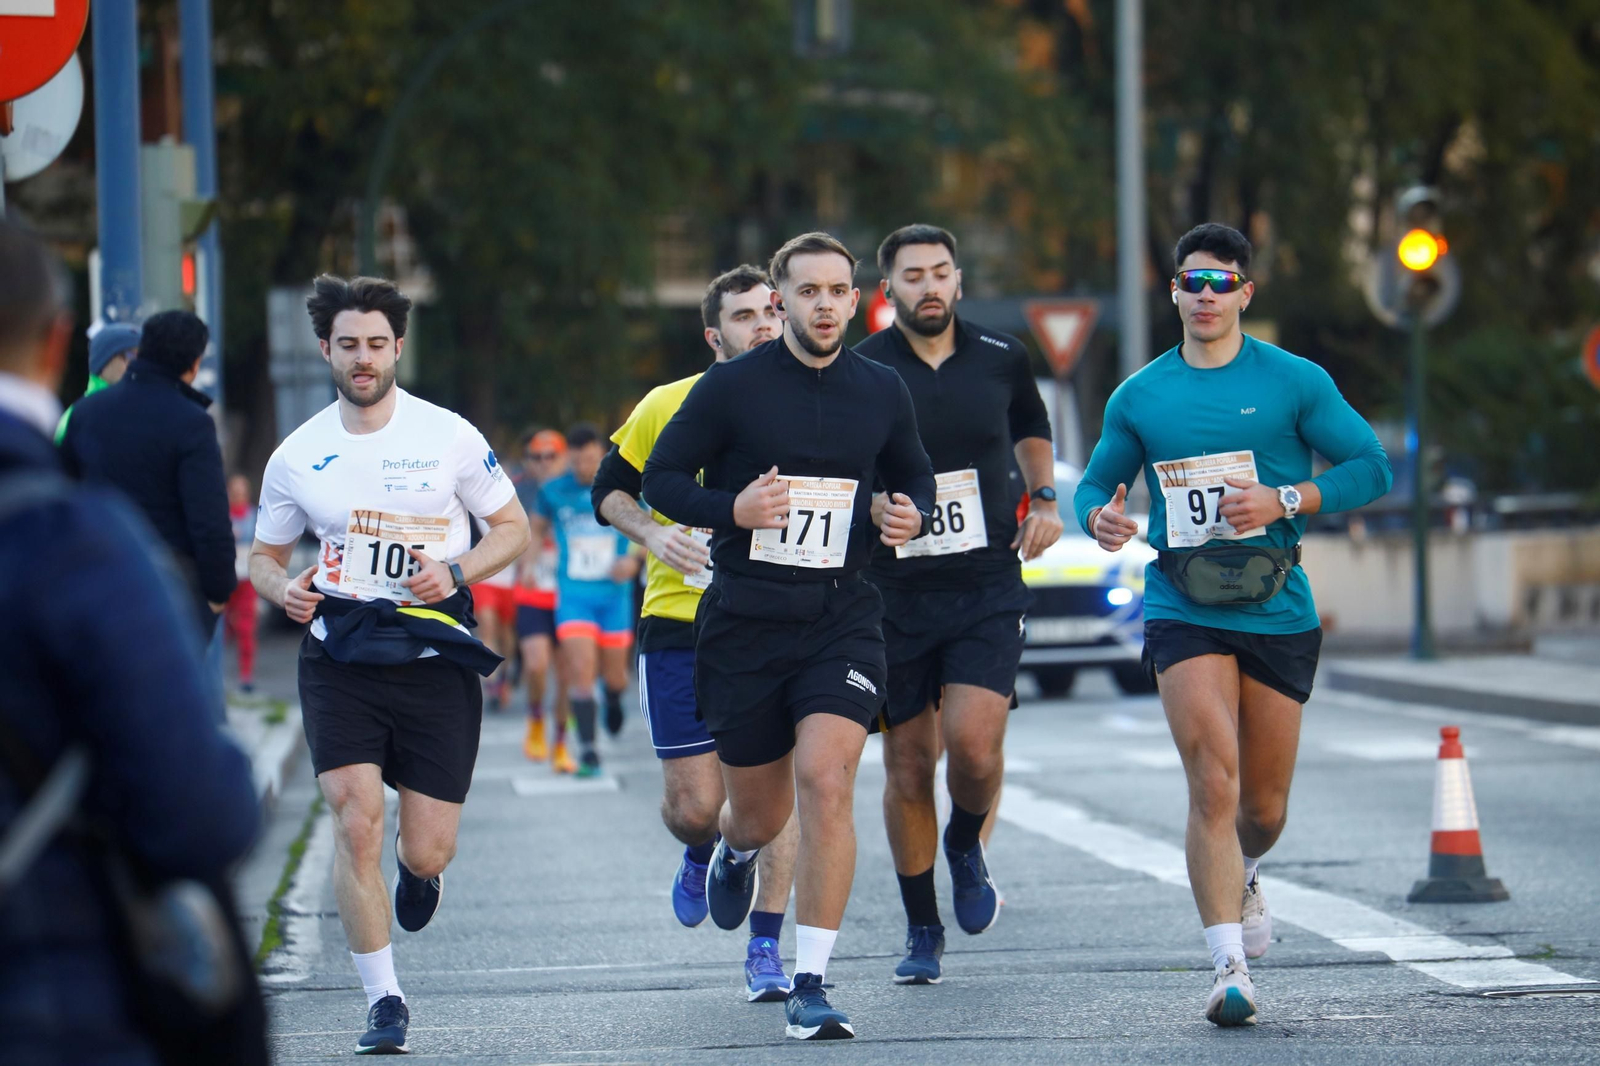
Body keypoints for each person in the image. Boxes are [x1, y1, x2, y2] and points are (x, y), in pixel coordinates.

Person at [1073, 223, 1392, 1026]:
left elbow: (1370, 467)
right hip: (1183, 603)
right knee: (1212, 778)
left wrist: (1288, 499)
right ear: (1173, 293)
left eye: (1222, 283)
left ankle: (1246, 866)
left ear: (1246, 293)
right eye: (1193, 282)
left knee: (1263, 809)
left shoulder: (1295, 382)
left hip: (1276, 604)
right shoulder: (1139, 394)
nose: (1206, 296)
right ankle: (1228, 968)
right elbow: (1095, 488)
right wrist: (1100, 522)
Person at [642, 232, 936, 1041]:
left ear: (854, 297)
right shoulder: (731, 389)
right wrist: (731, 509)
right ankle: (731, 854)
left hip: (842, 617)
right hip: (745, 622)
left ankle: (812, 981)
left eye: (839, 291)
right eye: (808, 292)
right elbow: (661, 480)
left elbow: (913, 477)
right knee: (757, 815)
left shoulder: (881, 390)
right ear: (781, 300)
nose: (826, 305)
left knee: (827, 779)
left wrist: (910, 513)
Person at [0, 219, 265, 1065]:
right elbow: (199, 812)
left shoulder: (91, 435)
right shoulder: (71, 546)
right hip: (50, 1003)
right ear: (51, 344)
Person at [249, 274, 529, 1055]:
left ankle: (420, 871)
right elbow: (263, 556)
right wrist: (284, 590)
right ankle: (384, 1001)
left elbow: (513, 528)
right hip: (340, 649)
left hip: (434, 648)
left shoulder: (448, 435)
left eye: (377, 343)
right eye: (349, 345)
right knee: (353, 816)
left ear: (398, 346)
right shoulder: (297, 455)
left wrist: (459, 570)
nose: (363, 358)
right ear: (326, 351)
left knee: (425, 844)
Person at [855, 224, 1062, 984]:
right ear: (889, 292)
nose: (930, 285)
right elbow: (842, 462)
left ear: (959, 281)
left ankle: (967, 843)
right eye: (914, 275)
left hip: (984, 582)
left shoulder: (1003, 355)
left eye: (941, 271)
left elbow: (1031, 427)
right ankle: (921, 927)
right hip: (893, 590)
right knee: (910, 763)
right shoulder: (864, 367)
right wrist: (874, 504)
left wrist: (1043, 496)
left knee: (974, 749)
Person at [592, 265, 801, 1002]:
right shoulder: (667, 405)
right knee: (692, 808)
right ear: (715, 334)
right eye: (745, 317)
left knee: (778, 794)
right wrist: (652, 534)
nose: (764, 327)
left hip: (782, 619)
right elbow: (608, 492)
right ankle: (704, 848)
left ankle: (768, 949)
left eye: (771, 312)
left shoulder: (816, 399)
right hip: (682, 622)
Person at [59, 309, 236, 716]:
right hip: (169, 591)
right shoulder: (191, 423)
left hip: (91, 580)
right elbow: (208, 520)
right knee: (169, 710)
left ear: (142, 352)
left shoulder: (85, 413)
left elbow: (62, 494)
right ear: (193, 364)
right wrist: (216, 593)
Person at [530, 423, 641, 777]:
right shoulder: (553, 490)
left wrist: (634, 559)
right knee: (580, 671)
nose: (583, 469)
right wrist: (529, 565)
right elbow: (535, 529)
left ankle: (612, 697)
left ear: (601, 455)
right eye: (576, 462)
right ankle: (589, 750)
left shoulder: (622, 484)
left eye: (590, 460)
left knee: (616, 677)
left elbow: (649, 525)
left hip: (614, 597)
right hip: (574, 595)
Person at [514, 429, 573, 768]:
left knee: (566, 676)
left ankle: (562, 742)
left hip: (570, 594)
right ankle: (536, 717)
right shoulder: (519, 491)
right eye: (537, 457)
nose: (543, 463)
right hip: (533, 589)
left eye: (551, 456)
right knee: (536, 665)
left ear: (563, 458)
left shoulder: (577, 489)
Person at [54, 320, 139, 443]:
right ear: (104, 361)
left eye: (144, 357)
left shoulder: (148, 409)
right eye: (131, 356)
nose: (139, 365)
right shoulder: (78, 417)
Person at [226, 474, 260, 694]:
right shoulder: (221, 515)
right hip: (226, 579)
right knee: (222, 628)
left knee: (246, 628)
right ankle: (214, 676)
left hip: (246, 580)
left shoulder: (254, 516)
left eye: (242, 492)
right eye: (234, 492)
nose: (238, 496)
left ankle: (245, 676)